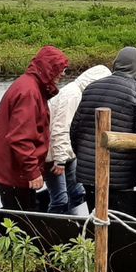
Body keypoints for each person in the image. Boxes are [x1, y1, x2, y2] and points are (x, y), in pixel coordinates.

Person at [70, 47, 136, 218]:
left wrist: (84, 159)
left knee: (95, 221)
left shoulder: (91, 88)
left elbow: (75, 131)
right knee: (118, 227)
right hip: (121, 179)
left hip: (89, 175)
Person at [0, 46, 69, 211]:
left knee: (20, 216)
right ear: (48, 68)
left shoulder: (29, 85)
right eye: (59, 69)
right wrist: (33, 172)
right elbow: (20, 138)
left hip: (14, 169)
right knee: (23, 220)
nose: (62, 74)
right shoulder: (29, 92)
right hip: (14, 172)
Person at [46, 64, 111, 214]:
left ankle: (73, 229)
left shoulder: (79, 93)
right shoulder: (72, 95)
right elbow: (60, 128)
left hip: (69, 154)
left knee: (77, 194)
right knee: (60, 199)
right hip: (55, 155)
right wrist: (60, 160)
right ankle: (50, 231)